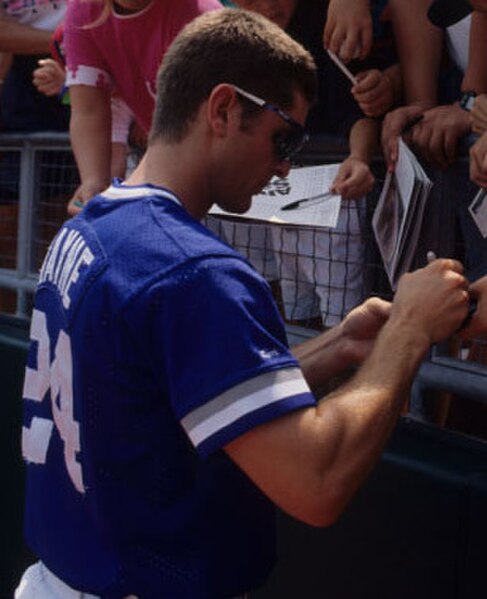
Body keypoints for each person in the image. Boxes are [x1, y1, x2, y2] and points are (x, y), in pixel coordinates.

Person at [17, 9, 469, 598]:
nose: (285, 164)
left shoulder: (93, 225)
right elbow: (316, 481)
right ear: (224, 108)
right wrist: (409, 328)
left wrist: (337, 347)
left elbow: (172, 403)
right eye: (284, 136)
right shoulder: (191, 268)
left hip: (64, 576)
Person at [63, 0, 221, 216]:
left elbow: (203, 123)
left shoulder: (199, 14)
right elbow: (88, 109)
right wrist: (93, 183)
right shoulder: (83, 11)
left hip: (228, 157)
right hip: (171, 161)